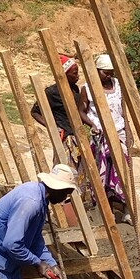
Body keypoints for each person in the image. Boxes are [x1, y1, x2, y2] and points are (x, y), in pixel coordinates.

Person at [30, 54, 89, 192]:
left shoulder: (75, 89)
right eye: (75, 73)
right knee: (65, 172)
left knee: (79, 173)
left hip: (78, 136)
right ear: (65, 74)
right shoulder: (51, 92)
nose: (78, 76)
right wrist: (53, 127)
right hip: (65, 138)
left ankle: (78, 203)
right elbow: (35, 112)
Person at [84, 53, 131, 220]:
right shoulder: (88, 88)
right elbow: (81, 111)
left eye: (111, 72)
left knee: (121, 171)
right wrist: (93, 125)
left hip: (119, 133)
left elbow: (123, 111)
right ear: (97, 71)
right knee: (102, 170)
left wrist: (128, 131)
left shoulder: (117, 85)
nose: (109, 75)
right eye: (105, 72)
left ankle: (126, 208)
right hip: (100, 135)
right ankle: (107, 209)